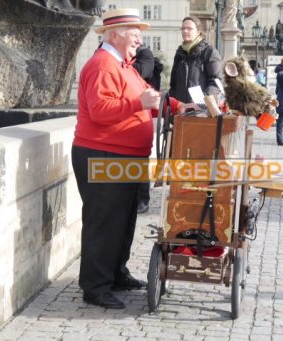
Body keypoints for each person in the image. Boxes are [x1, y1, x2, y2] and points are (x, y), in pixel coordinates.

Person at [72, 8, 190, 309]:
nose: (139, 35)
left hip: (123, 156)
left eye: (139, 29)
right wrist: (137, 103)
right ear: (114, 34)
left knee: (123, 221)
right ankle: (95, 287)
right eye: (133, 29)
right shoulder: (102, 65)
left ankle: (116, 273)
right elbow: (100, 111)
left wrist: (178, 106)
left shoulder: (124, 66)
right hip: (103, 153)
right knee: (104, 222)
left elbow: (150, 96)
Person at [169, 16, 222, 103]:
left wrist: (201, 102)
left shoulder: (209, 51)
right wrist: (174, 105)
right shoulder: (179, 53)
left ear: (198, 31)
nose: (185, 31)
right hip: (180, 110)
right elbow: (173, 85)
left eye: (189, 28)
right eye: (183, 28)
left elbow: (216, 82)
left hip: (201, 111)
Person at [132, 45, 158, 214]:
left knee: (140, 159)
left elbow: (142, 73)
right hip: (129, 114)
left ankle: (143, 199)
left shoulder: (145, 53)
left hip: (142, 113)